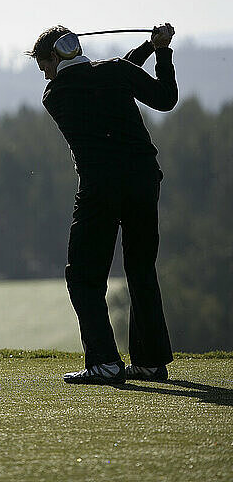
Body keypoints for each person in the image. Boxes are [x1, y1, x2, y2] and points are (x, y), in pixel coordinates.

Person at [26, 23, 177, 385]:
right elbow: (161, 96)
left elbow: (106, 75)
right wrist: (160, 52)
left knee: (83, 276)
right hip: (143, 181)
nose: (43, 72)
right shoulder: (114, 73)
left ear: (57, 56)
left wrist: (146, 48)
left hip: (100, 191)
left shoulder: (55, 95)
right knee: (141, 269)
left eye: (43, 64)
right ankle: (151, 362)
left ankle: (105, 363)